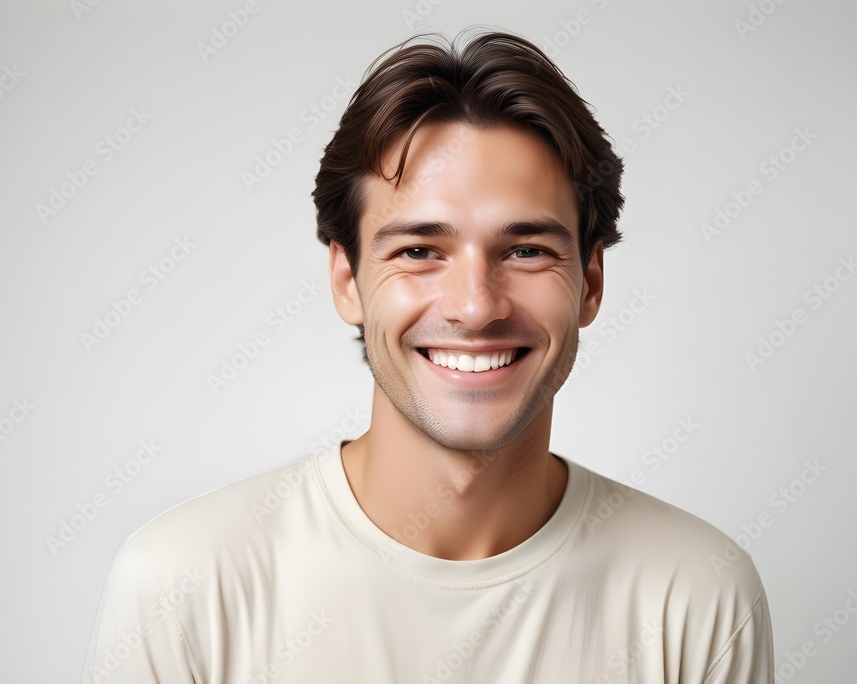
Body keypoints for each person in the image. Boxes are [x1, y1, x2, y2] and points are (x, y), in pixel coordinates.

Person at [81, 29, 773, 683]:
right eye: (419, 251)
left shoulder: (696, 596)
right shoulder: (183, 585)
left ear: (590, 282)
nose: (475, 306)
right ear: (346, 280)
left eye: (526, 250)